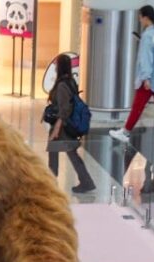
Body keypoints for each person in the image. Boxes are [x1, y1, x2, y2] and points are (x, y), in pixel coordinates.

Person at [108, 5, 154, 148]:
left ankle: (125, 132)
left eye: (140, 17)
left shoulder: (147, 36)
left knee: (138, 106)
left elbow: (146, 59)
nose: (140, 20)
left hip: (150, 79)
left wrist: (146, 78)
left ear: (146, 18)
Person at [46, 53, 96, 194]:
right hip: (66, 126)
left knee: (61, 153)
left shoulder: (62, 85)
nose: (55, 67)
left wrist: (56, 129)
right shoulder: (70, 81)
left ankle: (52, 181)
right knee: (64, 153)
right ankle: (85, 181)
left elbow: (64, 109)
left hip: (63, 127)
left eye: (56, 64)